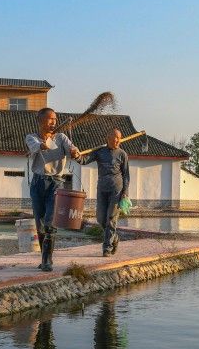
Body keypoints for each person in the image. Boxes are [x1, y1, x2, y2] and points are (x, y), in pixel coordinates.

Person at [25, 108, 80, 271]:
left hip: (56, 183)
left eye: (55, 119)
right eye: (49, 119)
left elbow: (72, 149)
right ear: (40, 121)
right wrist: (46, 141)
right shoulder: (31, 137)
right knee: (39, 222)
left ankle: (47, 260)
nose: (53, 122)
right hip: (37, 183)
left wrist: (74, 152)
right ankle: (44, 257)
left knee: (50, 222)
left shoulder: (62, 137)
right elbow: (39, 147)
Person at [78, 128, 129, 257]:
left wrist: (125, 192)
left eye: (119, 138)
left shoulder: (122, 154)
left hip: (116, 190)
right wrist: (76, 155)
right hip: (102, 188)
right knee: (101, 218)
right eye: (115, 137)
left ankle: (107, 247)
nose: (117, 140)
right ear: (108, 137)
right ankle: (115, 238)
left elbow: (126, 175)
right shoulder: (100, 152)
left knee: (111, 218)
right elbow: (84, 161)